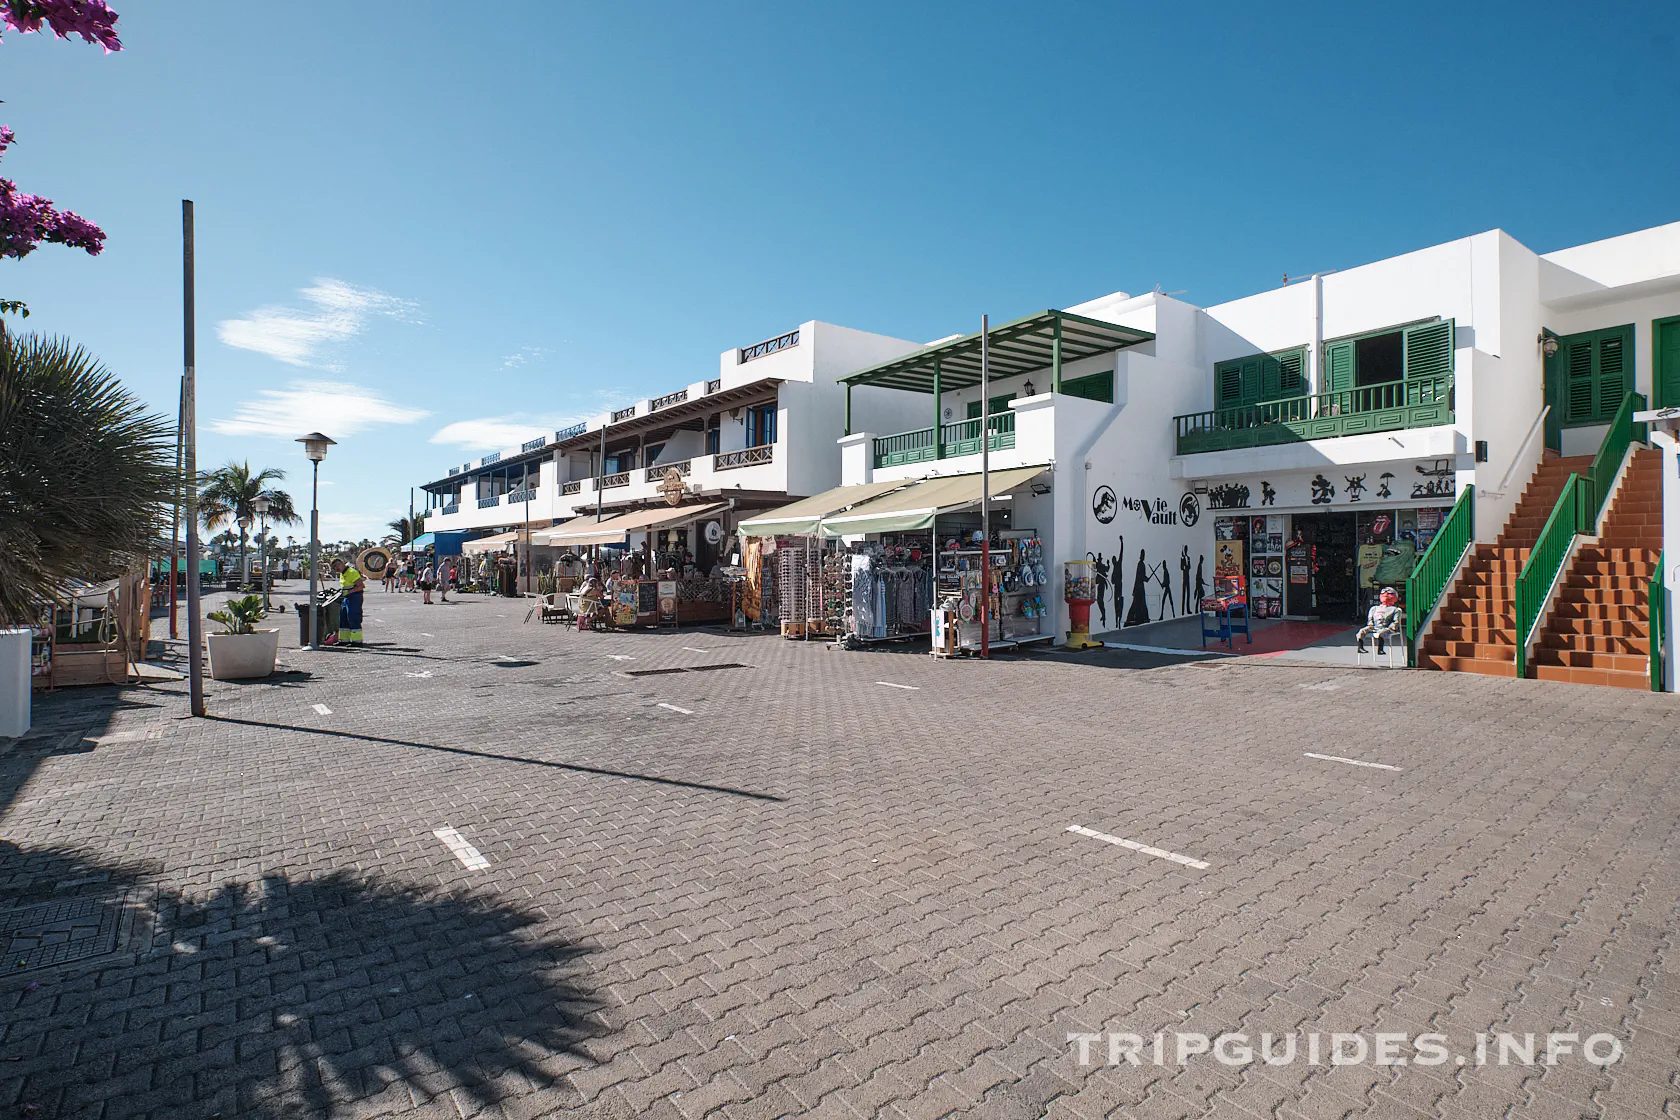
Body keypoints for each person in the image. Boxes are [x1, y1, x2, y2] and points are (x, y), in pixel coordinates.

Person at [1357, 586, 1405, 655]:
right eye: (1383, 593)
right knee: (1362, 631)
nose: (1386, 595)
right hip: (1374, 627)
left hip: (1386, 627)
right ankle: (1360, 647)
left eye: (1389, 593)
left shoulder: (1395, 609)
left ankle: (1380, 649)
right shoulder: (1375, 608)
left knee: (1382, 633)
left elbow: (1395, 621)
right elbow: (1370, 618)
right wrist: (1370, 625)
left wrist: (1392, 627)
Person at [330, 557, 366, 644]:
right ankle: (343, 640)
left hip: (354, 597)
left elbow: (361, 586)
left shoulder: (351, 572)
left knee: (353, 617)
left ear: (341, 564)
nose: (335, 569)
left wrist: (349, 592)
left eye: (336, 566)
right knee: (343, 618)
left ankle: (357, 641)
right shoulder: (343, 573)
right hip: (346, 598)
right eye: (333, 568)